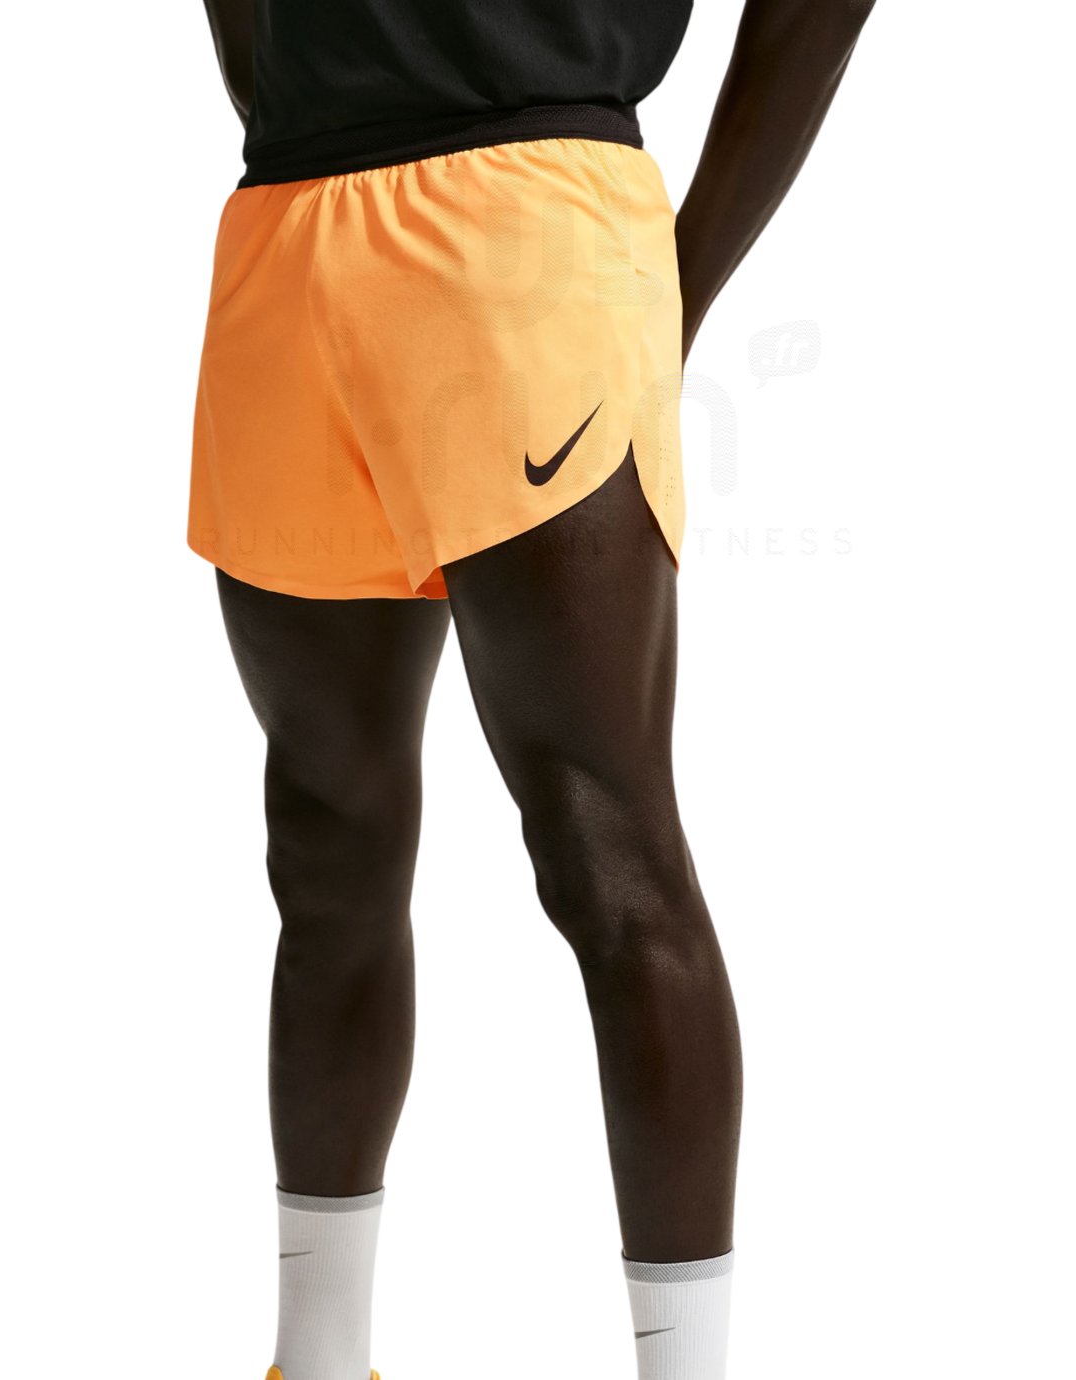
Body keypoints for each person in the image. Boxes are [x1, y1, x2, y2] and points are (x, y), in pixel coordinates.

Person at [187, 1, 875, 1375]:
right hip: (287, 223)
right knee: (322, 843)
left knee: (602, 849)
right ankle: (314, 1363)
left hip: (525, 212)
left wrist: (678, 283)